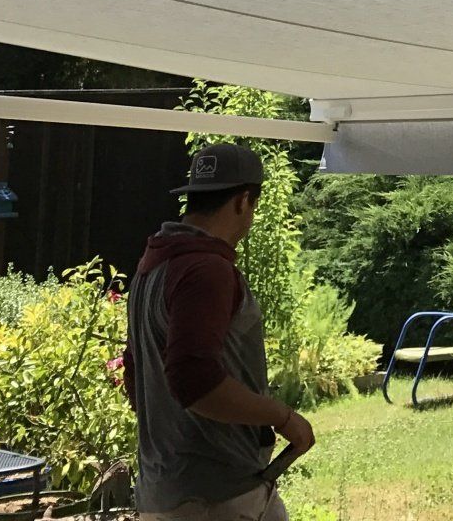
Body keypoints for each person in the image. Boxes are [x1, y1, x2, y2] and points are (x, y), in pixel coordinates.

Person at [125, 142, 315, 521]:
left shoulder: (152, 265)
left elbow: (135, 372)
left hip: (164, 492)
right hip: (218, 498)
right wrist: (284, 417)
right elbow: (194, 381)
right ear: (243, 201)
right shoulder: (205, 269)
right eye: (254, 207)